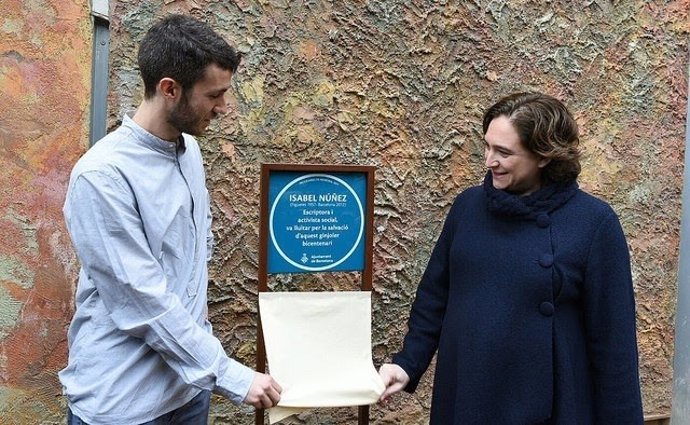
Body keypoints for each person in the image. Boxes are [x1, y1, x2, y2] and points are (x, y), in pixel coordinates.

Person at [60, 14, 281, 424]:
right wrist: (230, 374)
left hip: (187, 393)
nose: (223, 107)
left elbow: (189, 268)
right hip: (124, 405)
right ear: (170, 89)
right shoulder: (103, 176)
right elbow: (143, 301)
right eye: (214, 95)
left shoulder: (190, 152)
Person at [378, 92, 644, 424]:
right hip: (466, 396)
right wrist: (407, 363)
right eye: (487, 146)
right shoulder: (468, 207)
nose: (489, 161)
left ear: (544, 157)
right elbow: (435, 296)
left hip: (548, 407)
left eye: (503, 152)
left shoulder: (593, 222)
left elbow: (613, 345)